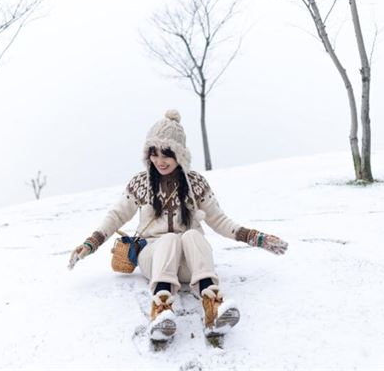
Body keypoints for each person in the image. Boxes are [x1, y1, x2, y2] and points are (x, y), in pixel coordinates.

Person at [70, 109, 288, 341]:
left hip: (187, 264)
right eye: (154, 153)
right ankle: (161, 310)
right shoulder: (141, 183)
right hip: (153, 258)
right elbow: (116, 215)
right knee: (170, 238)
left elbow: (219, 220)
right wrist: (91, 243)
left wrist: (256, 237)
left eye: (166, 154)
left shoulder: (195, 183)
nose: (159, 161)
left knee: (192, 236)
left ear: (179, 154)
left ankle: (213, 308)